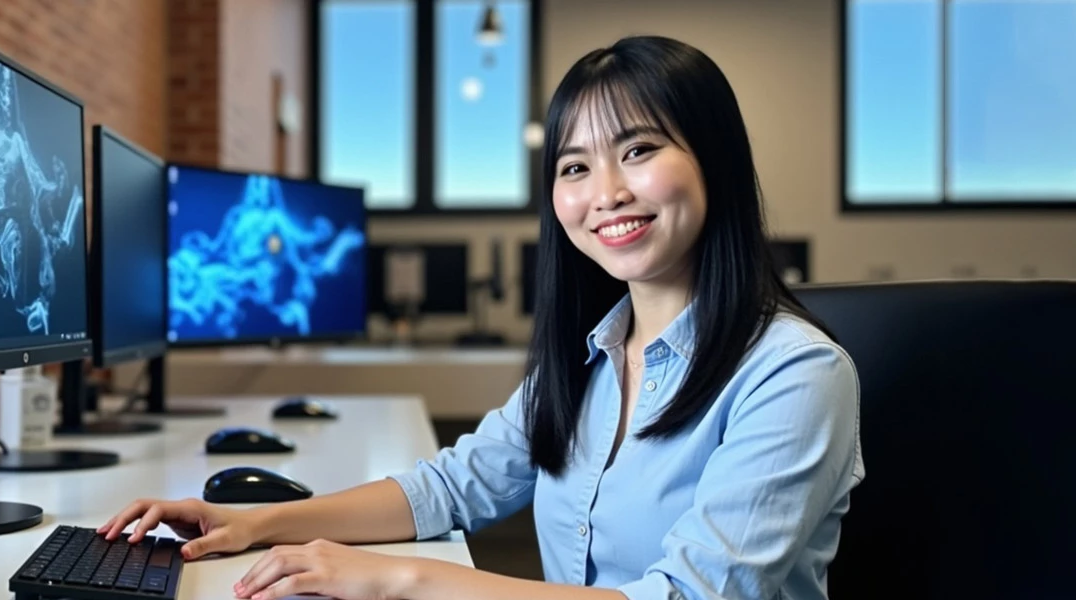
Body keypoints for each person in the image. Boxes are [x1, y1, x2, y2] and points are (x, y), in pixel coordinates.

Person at [99, 35, 863, 600]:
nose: (604, 192)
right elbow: (452, 487)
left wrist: (396, 579)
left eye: (638, 150)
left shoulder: (795, 375)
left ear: (716, 161)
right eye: (574, 166)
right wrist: (255, 520)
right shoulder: (588, 355)